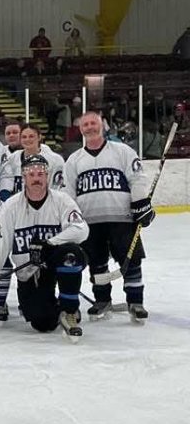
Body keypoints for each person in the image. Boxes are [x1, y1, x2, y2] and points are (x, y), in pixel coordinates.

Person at [0, 154, 88, 338]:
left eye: (40, 174)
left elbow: (81, 229)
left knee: (71, 254)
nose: (36, 178)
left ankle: (69, 310)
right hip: (29, 272)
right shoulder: (11, 206)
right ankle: (55, 306)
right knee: (42, 323)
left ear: (47, 176)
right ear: (24, 178)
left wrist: (50, 244)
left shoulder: (62, 200)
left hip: (55, 262)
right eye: (31, 174)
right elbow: (1, 241)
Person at [64, 110, 153, 321]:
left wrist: (140, 204)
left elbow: (138, 178)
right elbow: (68, 193)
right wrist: (71, 218)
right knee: (97, 263)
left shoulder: (122, 151)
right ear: (80, 129)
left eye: (93, 123)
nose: (90, 127)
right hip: (90, 221)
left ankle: (135, 302)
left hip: (121, 218)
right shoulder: (74, 160)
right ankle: (102, 300)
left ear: (102, 125)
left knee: (131, 261)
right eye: (85, 125)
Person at [0, 123, 65, 198]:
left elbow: (58, 187)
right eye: (24, 137)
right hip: (19, 204)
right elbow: (7, 181)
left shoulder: (55, 160)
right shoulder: (12, 159)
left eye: (31, 136)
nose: (27, 140)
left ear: (39, 137)